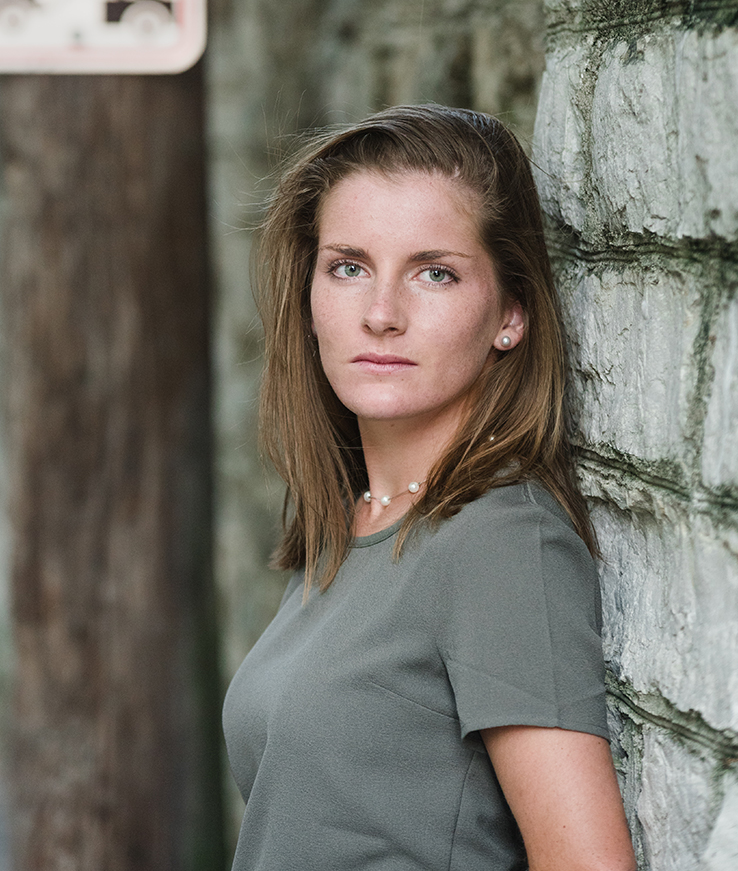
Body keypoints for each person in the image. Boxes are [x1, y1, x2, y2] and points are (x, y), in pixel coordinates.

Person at [222, 104, 636, 871]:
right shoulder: (357, 519)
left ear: (510, 312)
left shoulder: (501, 540)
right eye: (349, 267)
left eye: (434, 273)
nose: (381, 315)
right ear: (309, 296)